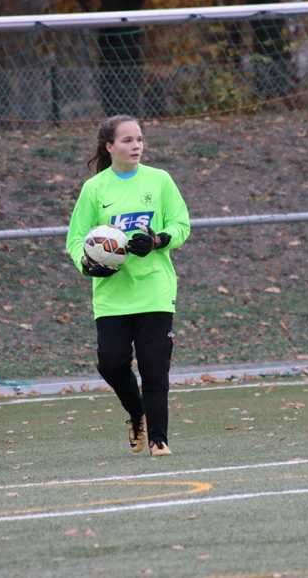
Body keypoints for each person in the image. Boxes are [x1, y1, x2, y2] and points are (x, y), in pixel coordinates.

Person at [66, 114, 191, 457]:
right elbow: (76, 239)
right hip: (113, 296)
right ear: (110, 147)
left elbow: (181, 225)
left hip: (154, 291)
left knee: (154, 365)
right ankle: (137, 414)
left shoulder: (159, 180)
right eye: (127, 140)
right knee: (111, 363)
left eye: (139, 139)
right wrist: (87, 264)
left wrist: (158, 240)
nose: (136, 146)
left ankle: (159, 440)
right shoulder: (95, 189)